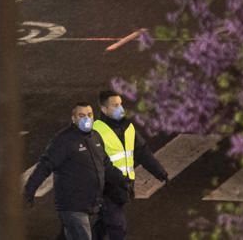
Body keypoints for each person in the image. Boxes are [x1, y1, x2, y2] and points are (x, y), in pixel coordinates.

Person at [24, 103, 126, 240]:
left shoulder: (95, 137)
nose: (87, 119)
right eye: (81, 115)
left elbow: (105, 164)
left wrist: (123, 180)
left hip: (89, 202)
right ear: (73, 119)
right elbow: (45, 165)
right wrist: (29, 191)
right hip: (72, 205)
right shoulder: (64, 140)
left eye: (89, 115)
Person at [92, 90, 168, 240]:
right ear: (104, 109)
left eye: (120, 104)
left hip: (123, 186)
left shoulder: (127, 127)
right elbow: (101, 163)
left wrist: (159, 172)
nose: (120, 108)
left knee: (102, 223)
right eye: (115, 105)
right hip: (106, 187)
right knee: (117, 226)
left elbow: (142, 152)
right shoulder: (96, 131)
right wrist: (120, 178)